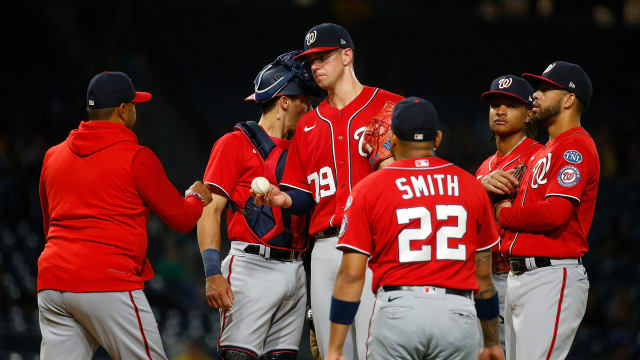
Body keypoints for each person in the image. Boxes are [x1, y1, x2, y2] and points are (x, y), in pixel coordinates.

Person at [253, 23, 404, 360]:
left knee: (376, 349)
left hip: (376, 242)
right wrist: (283, 199)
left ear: (347, 55)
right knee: (334, 353)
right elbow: (304, 196)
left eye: (323, 57)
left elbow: (417, 175)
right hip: (323, 248)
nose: (315, 66)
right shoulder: (307, 124)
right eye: (311, 61)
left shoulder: (391, 106)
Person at [37, 71, 212, 360]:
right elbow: (181, 218)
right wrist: (196, 196)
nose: (135, 109)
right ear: (123, 109)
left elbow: (49, 225)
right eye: (133, 104)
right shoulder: (136, 156)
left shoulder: (52, 156)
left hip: (53, 283)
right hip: (108, 281)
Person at [326, 97, 504, 360]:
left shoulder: (369, 188)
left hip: (399, 312)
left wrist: (335, 349)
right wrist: (491, 342)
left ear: (393, 140)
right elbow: (484, 278)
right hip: (457, 314)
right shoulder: (472, 186)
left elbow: (351, 275)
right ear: (438, 139)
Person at [197, 50, 322, 360]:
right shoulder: (234, 143)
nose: (310, 107)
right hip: (252, 266)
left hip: (296, 269)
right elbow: (209, 209)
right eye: (305, 100)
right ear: (284, 101)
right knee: (239, 356)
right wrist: (212, 272)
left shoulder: (304, 149)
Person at [495, 61, 598, 360]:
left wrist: (504, 214)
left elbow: (555, 213)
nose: (535, 95)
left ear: (568, 99)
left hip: (551, 274)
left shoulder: (575, 147)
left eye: (545, 89)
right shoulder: (546, 150)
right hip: (520, 276)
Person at [475, 75, 543, 351]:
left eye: (511, 105)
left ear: (529, 114)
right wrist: (479, 191)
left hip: (523, 275)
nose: (500, 111)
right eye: (495, 104)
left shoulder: (539, 156)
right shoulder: (483, 168)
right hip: (486, 277)